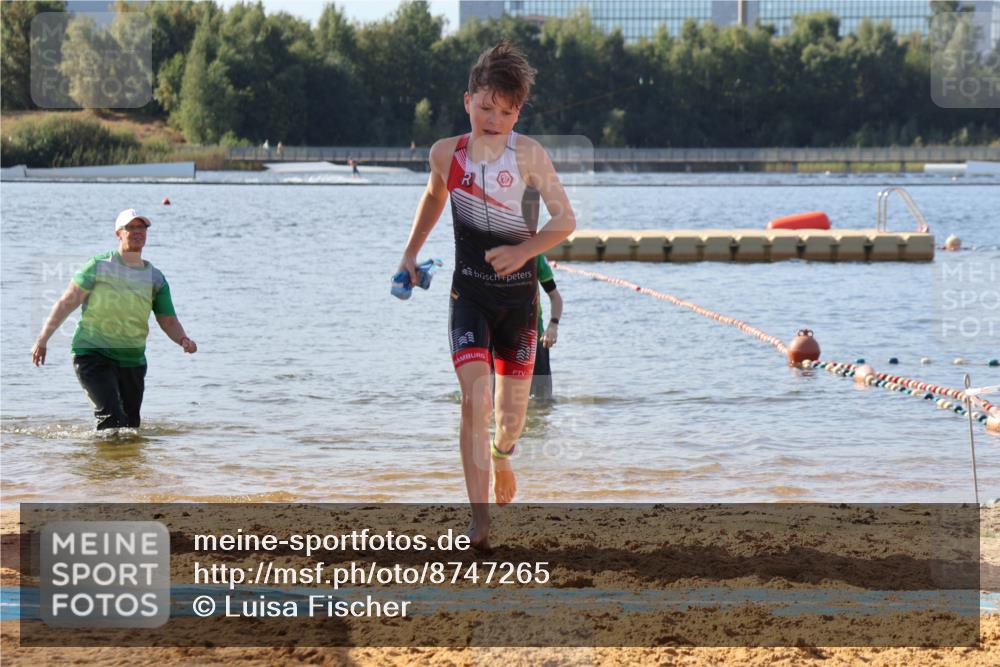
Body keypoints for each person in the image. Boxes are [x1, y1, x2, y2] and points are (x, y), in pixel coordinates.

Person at [396, 41, 576, 548]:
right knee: (474, 400)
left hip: (520, 306)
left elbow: (566, 220)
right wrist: (410, 254)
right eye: (485, 106)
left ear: (517, 112)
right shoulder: (445, 154)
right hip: (468, 298)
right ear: (467, 100)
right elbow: (434, 195)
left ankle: (502, 456)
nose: (494, 118)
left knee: (510, 423)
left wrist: (525, 253)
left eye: (505, 110)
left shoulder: (529, 155)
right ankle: (479, 520)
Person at [31, 209, 197, 430]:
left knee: (130, 428)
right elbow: (66, 303)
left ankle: (123, 465)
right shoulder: (99, 266)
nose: (137, 232)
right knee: (112, 420)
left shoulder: (155, 277)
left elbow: (167, 319)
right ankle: (103, 465)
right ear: (119, 233)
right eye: (131, 228)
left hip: (132, 359)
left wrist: (182, 339)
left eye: (142, 228)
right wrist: (42, 340)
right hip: (92, 353)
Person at [530, 254, 562, 401]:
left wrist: (553, 326)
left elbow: (555, 297)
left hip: (536, 338)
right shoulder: (491, 250)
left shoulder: (536, 256)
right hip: (501, 340)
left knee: (543, 402)